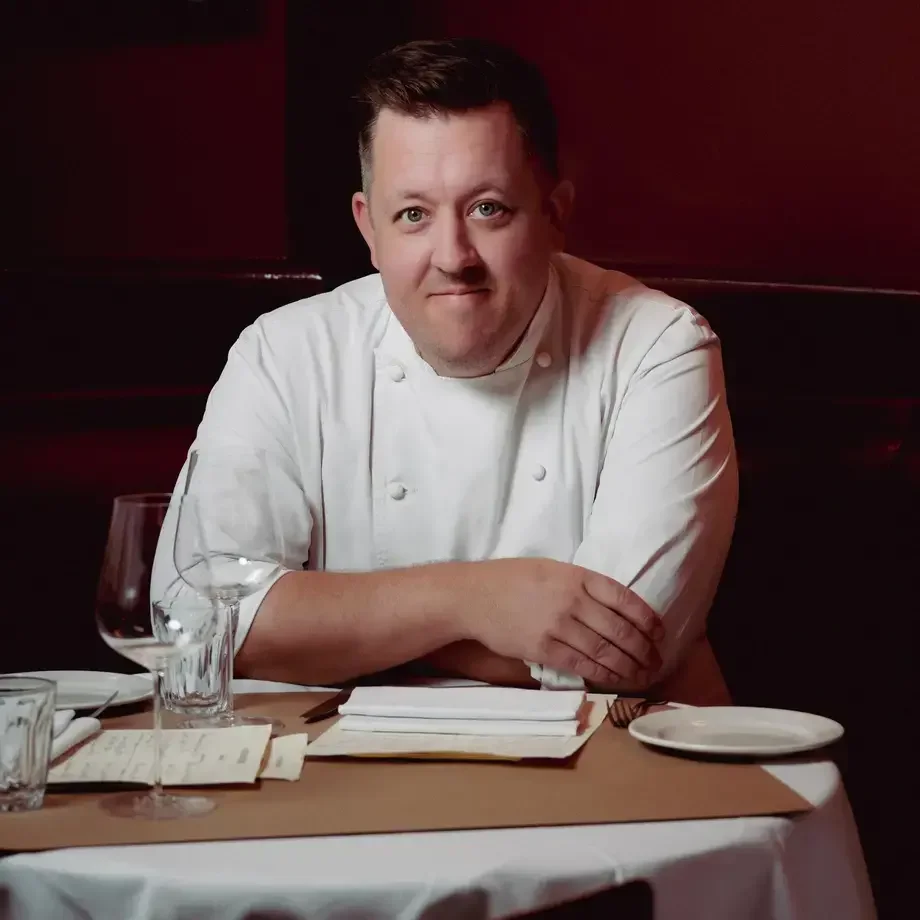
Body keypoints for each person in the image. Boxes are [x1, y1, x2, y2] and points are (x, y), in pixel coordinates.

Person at [154, 38, 738, 703]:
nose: (453, 255)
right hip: (343, 779)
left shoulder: (658, 346)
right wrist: (472, 600)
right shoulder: (285, 353)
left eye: (488, 208)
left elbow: (627, 649)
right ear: (368, 228)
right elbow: (198, 619)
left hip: (610, 777)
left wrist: (335, 638)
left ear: (555, 215)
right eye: (413, 215)